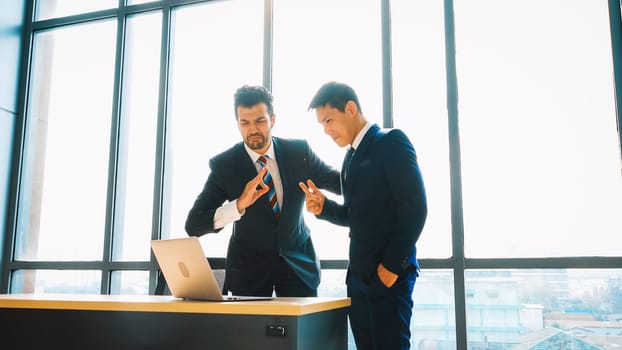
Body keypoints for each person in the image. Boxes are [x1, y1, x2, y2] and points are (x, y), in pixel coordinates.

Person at [299, 81, 427, 349]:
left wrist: (391, 267)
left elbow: (415, 208)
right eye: (322, 124)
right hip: (358, 280)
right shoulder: (349, 158)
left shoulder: (391, 141)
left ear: (350, 108)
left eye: (329, 120)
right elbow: (355, 215)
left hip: (388, 277)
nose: (327, 131)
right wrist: (325, 208)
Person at [185, 85, 341, 297]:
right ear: (237, 124)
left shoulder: (299, 153)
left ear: (273, 120)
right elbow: (193, 224)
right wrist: (238, 205)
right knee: (248, 332)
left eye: (260, 121)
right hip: (249, 274)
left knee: (303, 331)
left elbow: (339, 182)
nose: (253, 129)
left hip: (299, 269)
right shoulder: (225, 165)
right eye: (245, 123)